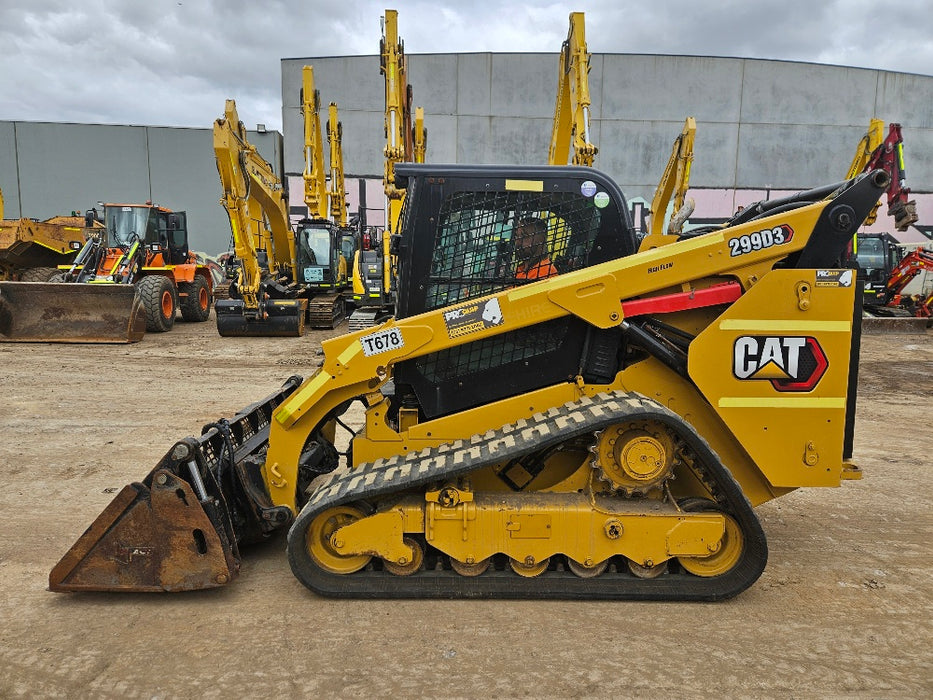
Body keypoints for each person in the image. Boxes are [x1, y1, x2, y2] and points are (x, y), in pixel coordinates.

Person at [513, 216, 558, 281]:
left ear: (541, 240)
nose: (518, 242)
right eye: (517, 236)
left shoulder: (545, 272)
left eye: (524, 236)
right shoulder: (521, 269)